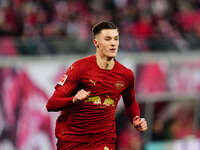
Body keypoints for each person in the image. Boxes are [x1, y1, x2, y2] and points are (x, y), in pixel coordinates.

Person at [46, 21, 148, 150]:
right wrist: (73, 99)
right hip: (74, 141)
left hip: (103, 141)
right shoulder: (79, 68)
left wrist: (135, 118)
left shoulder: (126, 75)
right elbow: (51, 104)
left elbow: (130, 102)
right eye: (107, 39)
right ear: (96, 43)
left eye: (116, 39)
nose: (113, 43)